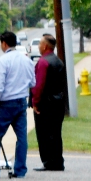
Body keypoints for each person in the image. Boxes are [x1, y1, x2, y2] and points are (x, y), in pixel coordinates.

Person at [0, 31, 35, 179]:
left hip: (5, 103)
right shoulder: (26, 60)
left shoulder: (3, 60)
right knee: (21, 137)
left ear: (4, 43)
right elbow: (33, 82)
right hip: (21, 102)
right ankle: (20, 170)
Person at [31, 34, 67, 171]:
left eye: (40, 43)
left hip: (46, 104)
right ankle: (58, 161)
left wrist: (35, 102)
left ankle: (49, 162)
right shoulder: (58, 61)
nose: (39, 46)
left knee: (45, 134)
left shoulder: (43, 62)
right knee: (56, 133)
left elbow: (39, 85)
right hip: (58, 102)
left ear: (45, 46)